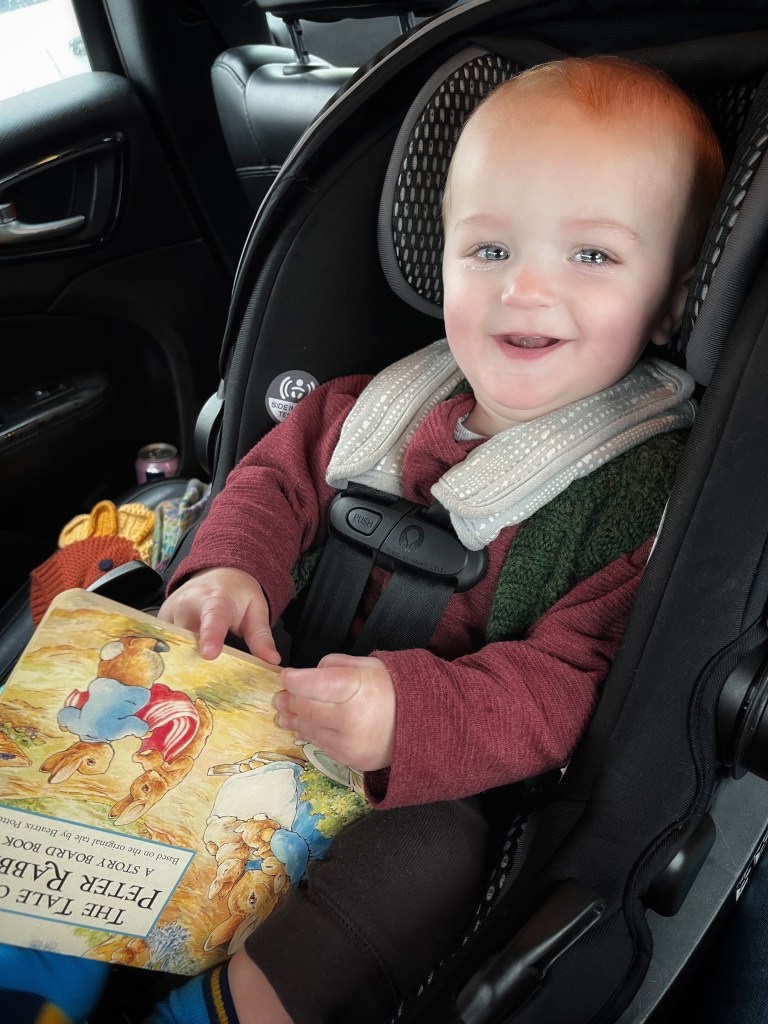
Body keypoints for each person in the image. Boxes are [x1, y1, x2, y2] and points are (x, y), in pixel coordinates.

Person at [0, 55, 724, 1024]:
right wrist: (229, 569)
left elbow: (572, 681)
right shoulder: (370, 406)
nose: (524, 289)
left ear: (673, 298)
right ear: (441, 257)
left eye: (591, 256)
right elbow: (267, 486)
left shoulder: (644, 496)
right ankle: (38, 955)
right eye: (490, 249)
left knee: (425, 864)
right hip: (262, 691)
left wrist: (408, 717)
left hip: (428, 772)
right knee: (95, 728)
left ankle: (221, 1009)